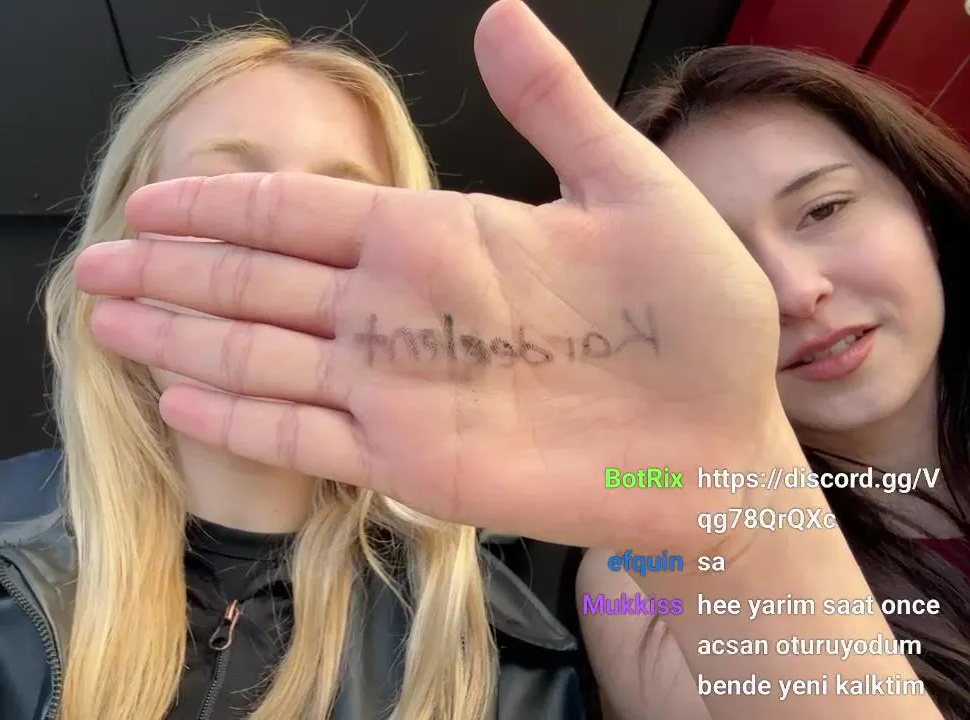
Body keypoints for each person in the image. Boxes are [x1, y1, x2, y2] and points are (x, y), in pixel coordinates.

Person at [0, 18, 600, 720]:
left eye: (342, 201)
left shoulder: (503, 662)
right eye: (225, 189)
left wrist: (696, 496)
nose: (282, 237)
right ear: (125, 255)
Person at [70, 1, 947, 718]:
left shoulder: (501, 649)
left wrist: (739, 502)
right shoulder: (630, 595)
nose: (791, 291)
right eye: (226, 192)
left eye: (824, 209)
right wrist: (731, 510)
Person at [572, 43, 970, 719]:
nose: (793, 292)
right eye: (716, 264)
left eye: (824, 210)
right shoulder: (649, 572)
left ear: (919, 206)